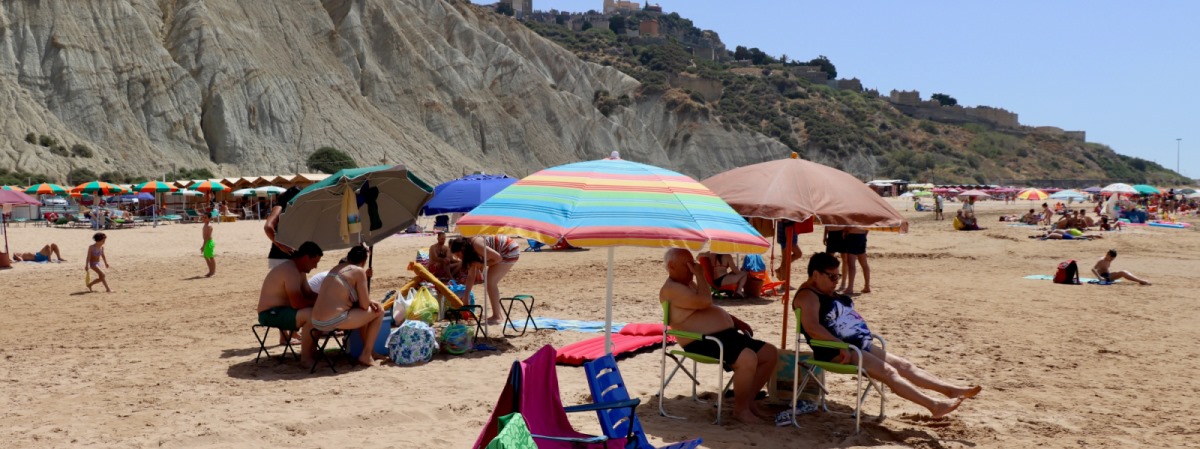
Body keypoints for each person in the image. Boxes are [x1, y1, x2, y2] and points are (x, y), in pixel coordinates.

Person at [795, 252, 981, 418]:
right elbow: (812, 328)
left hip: (856, 345)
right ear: (816, 274)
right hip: (835, 351)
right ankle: (934, 406)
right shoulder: (808, 296)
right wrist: (840, 345)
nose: (836, 281)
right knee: (889, 371)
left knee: (904, 365)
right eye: (832, 276)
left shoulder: (826, 292)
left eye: (838, 276)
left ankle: (949, 390)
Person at [660, 248, 777, 423]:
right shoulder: (671, 289)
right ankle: (741, 410)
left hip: (724, 336)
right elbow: (705, 301)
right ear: (671, 266)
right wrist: (700, 274)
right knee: (747, 358)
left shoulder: (688, 285)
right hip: (700, 341)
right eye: (688, 265)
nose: (692, 268)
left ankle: (748, 401)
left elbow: (710, 308)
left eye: (693, 264)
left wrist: (736, 321)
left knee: (769, 353)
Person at [311, 245, 384, 367]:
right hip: (332, 321)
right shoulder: (358, 271)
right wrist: (371, 301)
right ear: (364, 261)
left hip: (316, 322)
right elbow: (365, 305)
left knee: (363, 313)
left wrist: (368, 301)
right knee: (379, 311)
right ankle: (366, 354)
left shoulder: (335, 269)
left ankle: (370, 352)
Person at [256, 241, 324, 365]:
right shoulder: (290, 270)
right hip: (270, 314)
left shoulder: (299, 270)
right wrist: (321, 305)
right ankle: (306, 357)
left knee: (317, 311)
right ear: (305, 258)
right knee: (312, 314)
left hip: (282, 311)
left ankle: (311, 352)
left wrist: (327, 301)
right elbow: (297, 303)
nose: (315, 267)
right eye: (314, 262)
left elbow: (308, 293)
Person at [450, 235, 521, 325]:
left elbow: (498, 258)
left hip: (508, 249)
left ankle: (497, 316)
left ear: (463, 249)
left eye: (459, 255)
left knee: (490, 282)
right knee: (489, 281)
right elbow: (471, 276)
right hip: (500, 253)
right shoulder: (469, 253)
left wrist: (482, 263)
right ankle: (496, 315)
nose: (459, 258)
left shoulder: (476, 245)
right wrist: (466, 296)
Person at [264, 187, 303, 269]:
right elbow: (268, 227)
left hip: (293, 254)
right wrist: (281, 245)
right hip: (280, 255)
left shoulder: (296, 210)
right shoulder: (280, 207)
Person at [841, 229, 870, 294]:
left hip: (853, 235)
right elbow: (868, 226)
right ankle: (867, 286)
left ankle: (850, 288)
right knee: (864, 264)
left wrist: (845, 230)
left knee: (851, 264)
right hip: (862, 235)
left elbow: (849, 225)